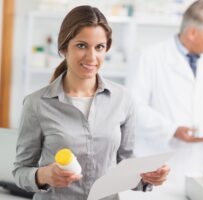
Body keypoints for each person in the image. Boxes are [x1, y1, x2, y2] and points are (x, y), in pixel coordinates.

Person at [13, 5, 169, 200]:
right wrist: (43, 175)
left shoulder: (123, 99)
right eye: (81, 45)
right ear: (64, 48)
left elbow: (125, 165)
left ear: (106, 49)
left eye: (99, 47)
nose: (91, 57)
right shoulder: (37, 104)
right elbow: (20, 172)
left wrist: (147, 177)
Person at [126, 0, 203, 189]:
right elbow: (133, 107)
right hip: (157, 163)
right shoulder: (149, 57)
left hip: (197, 165)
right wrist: (172, 130)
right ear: (192, 32)